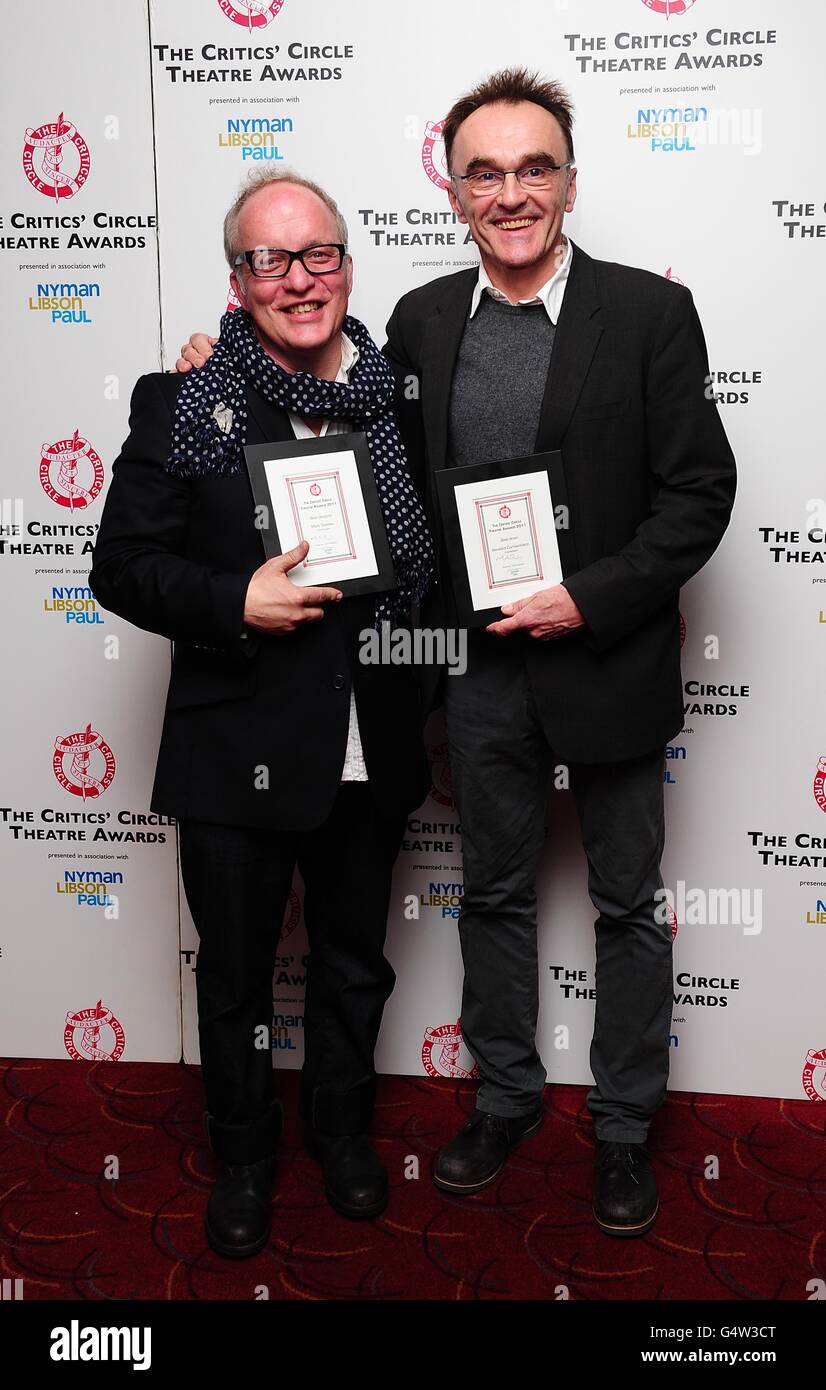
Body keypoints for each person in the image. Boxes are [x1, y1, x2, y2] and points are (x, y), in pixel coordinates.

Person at [178, 68, 737, 1239]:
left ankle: (626, 1126)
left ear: (570, 182)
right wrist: (208, 368)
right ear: (454, 191)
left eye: (535, 167)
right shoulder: (419, 324)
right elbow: (300, 388)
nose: (512, 191)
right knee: (492, 894)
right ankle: (504, 1097)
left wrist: (588, 599)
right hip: (475, 674)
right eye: (485, 172)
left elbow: (698, 495)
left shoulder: (647, 314)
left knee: (628, 906)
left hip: (608, 658)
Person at [89, 169, 433, 1259]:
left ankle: (340, 1134)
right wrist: (233, 599)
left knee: (352, 962)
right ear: (237, 281)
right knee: (236, 972)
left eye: (317, 253)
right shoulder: (184, 398)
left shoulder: (396, 396)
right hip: (235, 741)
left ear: (346, 261)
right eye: (270, 259)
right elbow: (121, 567)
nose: (299, 278)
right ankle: (242, 1155)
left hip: (369, 741)